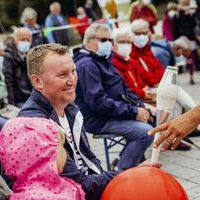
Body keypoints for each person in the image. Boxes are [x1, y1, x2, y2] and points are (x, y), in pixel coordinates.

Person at [17, 43, 160, 200]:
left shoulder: (70, 109)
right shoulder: (36, 126)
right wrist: (128, 175)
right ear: (38, 82)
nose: (72, 80)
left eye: (73, 71)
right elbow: (78, 185)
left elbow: (90, 161)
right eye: (62, 75)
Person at [73, 23, 154, 170]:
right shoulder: (87, 65)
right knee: (145, 132)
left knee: (153, 119)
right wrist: (134, 112)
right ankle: (119, 174)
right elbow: (98, 102)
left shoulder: (102, 59)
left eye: (110, 40)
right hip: (99, 119)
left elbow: (124, 89)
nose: (109, 44)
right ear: (90, 41)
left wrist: (140, 106)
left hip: (112, 112)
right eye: (104, 40)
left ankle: (126, 161)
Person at [0, 117, 85, 199]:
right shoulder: (54, 195)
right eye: (61, 147)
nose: (65, 153)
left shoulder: (19, 195)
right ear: (46, 157)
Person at [112, 28, 153, 101]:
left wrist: (144, 88)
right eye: (121, 42)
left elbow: (139, 82)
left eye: (128, 42)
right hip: (130, 101)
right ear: (113, 44)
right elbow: (122, 91)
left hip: (139, 98)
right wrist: (142, 93)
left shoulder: (129, 60)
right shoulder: (113, 63)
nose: (126, 45)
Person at [3, 27, 32, 108]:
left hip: (30, 97)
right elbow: (8, 81)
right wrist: (12, 105)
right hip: (19, 100)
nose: (26, 42)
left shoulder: (29, 54)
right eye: (23, 39)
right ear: (15, 40)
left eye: (28, 40)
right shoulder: (9, 55)